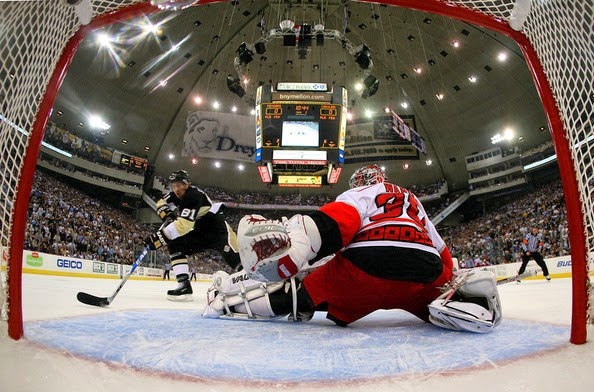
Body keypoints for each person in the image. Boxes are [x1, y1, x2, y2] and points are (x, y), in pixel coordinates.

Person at [203, 164, 502, 333]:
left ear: (359, 181)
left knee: (303, 293)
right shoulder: (412, 198)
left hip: (368, 267)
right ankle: (461, 302)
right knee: (434, 292)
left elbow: (340, 222)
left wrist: (305, 241)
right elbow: (440, 249)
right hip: (423, 272)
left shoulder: (360, 192)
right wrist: (446, 280)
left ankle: (228, 302)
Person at [145, 170, 241, 301]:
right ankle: (184, 286)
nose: (176, 189)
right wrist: (167, 214)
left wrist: (160, 238)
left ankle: (252, 284)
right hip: (200, 231)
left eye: (179, 185)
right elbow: (161, 202)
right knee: (175, 245)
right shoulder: (175, 195)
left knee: (235, 260)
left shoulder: (193, 196)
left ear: (187, 184)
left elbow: (184, 225)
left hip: (218, 231)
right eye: (173, 186)